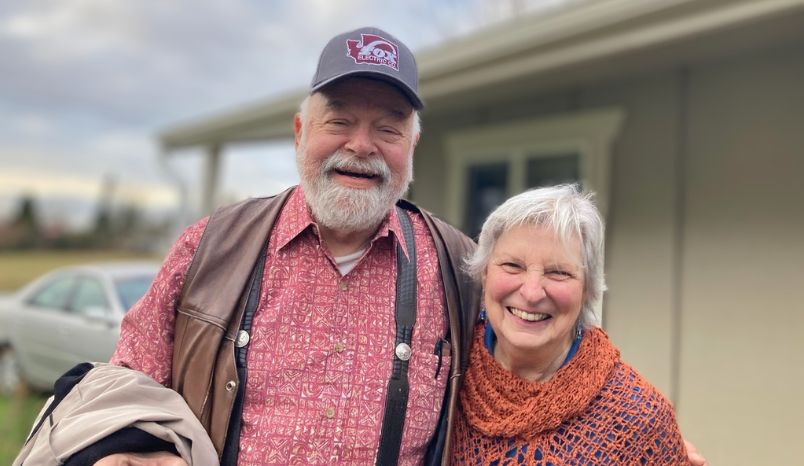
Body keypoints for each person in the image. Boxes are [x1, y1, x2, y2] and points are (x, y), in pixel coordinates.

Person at [28, 27, 707, 466]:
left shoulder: (456, 262)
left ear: (413, 147)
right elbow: (124, 388)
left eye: (388, 126)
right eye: (340, 121)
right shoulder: (211, 248)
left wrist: (655, 437)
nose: (361, 145)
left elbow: (541, 344)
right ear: (300, 131)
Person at [452, 185, 693, 465]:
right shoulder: (442, 370)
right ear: (484, 272)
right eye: (512, 266)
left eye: (558, 272)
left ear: (588, 289)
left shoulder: (638, 419)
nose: (531, 293)